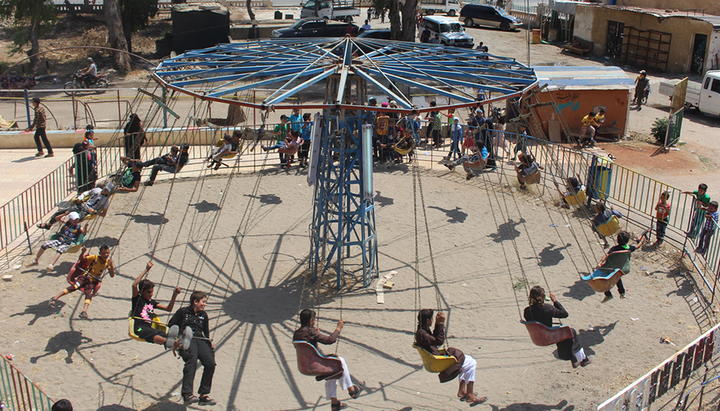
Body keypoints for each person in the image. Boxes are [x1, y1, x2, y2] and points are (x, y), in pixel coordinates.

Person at [293, 309, 365, 411]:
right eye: (314, 320)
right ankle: (352, 390)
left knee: (331, 373)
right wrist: (338, 328)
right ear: (310, 321)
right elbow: (330, 340)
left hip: (304, 367)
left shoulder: (297, 333)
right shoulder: (311, 332)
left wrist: (315, 336)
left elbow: (307, 347)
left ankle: (335, 404)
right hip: (316, 365)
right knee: (340, 362)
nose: (314, 322)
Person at [415, 309, 487, 406]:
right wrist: (440, 323)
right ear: (428, 320)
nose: (432, 320)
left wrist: (437, 324)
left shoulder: (423, 330)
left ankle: (462, 391)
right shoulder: (422, 334)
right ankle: (470, 395)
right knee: (472, 363)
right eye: (432, 319)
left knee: (468, 360)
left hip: (435, 357)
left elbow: (434, 340)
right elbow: (439, 341)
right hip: (437, 361)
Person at [524, 286, 593, 368]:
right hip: (549, 336)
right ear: (542, 296)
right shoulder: (547, 308)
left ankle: (575, 359)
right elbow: (564, 314)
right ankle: (582, 359)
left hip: (537, 338)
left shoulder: (527, 311)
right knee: (571, 332)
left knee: (565, 334)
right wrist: (555, 301)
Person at [169, 291, 217, 406]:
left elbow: (205, 332)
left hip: (199, 339)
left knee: (210, 363)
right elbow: (172, 324)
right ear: (195, 302)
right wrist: (176, 339)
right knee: (192, 361)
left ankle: (203, 395)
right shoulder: (183, 312)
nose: (205, 305)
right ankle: (187, 393)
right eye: (203, 302)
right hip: (187, 338)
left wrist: (209, 341)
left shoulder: (204, 315)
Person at [131, 261, 190, 350]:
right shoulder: (138, 299)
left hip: (149, 328)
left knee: (162, 334)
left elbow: (168, 309)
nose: (151, 294)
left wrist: (174, 295)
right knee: (150, 333)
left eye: (152, 292)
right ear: (141, 292)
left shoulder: (152, 302)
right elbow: (134, 285)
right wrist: (146, 269)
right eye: (148, 292)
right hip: (139, 328)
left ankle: (179, 344)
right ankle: (171, 342)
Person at [48, 245, 115, 319]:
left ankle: (84, 311)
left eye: (107, 253)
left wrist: (111, 266)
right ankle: (55, 298)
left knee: (89, 293)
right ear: (100, 253)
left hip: (92, 281)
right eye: (103, 253)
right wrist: (83, 252)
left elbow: (112, 275)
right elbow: (82, 259)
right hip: (84, 277)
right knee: (75, 286)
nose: (105, 255)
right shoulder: (95, 257)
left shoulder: (108, 262)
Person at [37, 182, 114, 230]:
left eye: (107, 191)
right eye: (105, 188)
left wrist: (95, 211)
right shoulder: (97, 190)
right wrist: (80, 198)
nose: (105, 191)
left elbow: (103, 214)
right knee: (61, 212)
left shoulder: (106, 201)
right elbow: (86, 193)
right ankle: (49, 224)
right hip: (81, 205)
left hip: (87, 211)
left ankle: (64, 233)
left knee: (74, 221)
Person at [597, 230, 646, 302]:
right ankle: (622, 292)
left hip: (613, 268)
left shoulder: (614, 249)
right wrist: (642, 241)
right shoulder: (629, 248)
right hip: (623, 268)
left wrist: (600, 262)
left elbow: (607, 255)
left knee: (605, 278)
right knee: (617, 276)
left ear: (617, 240)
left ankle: (608, 294)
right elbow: (637, 246)